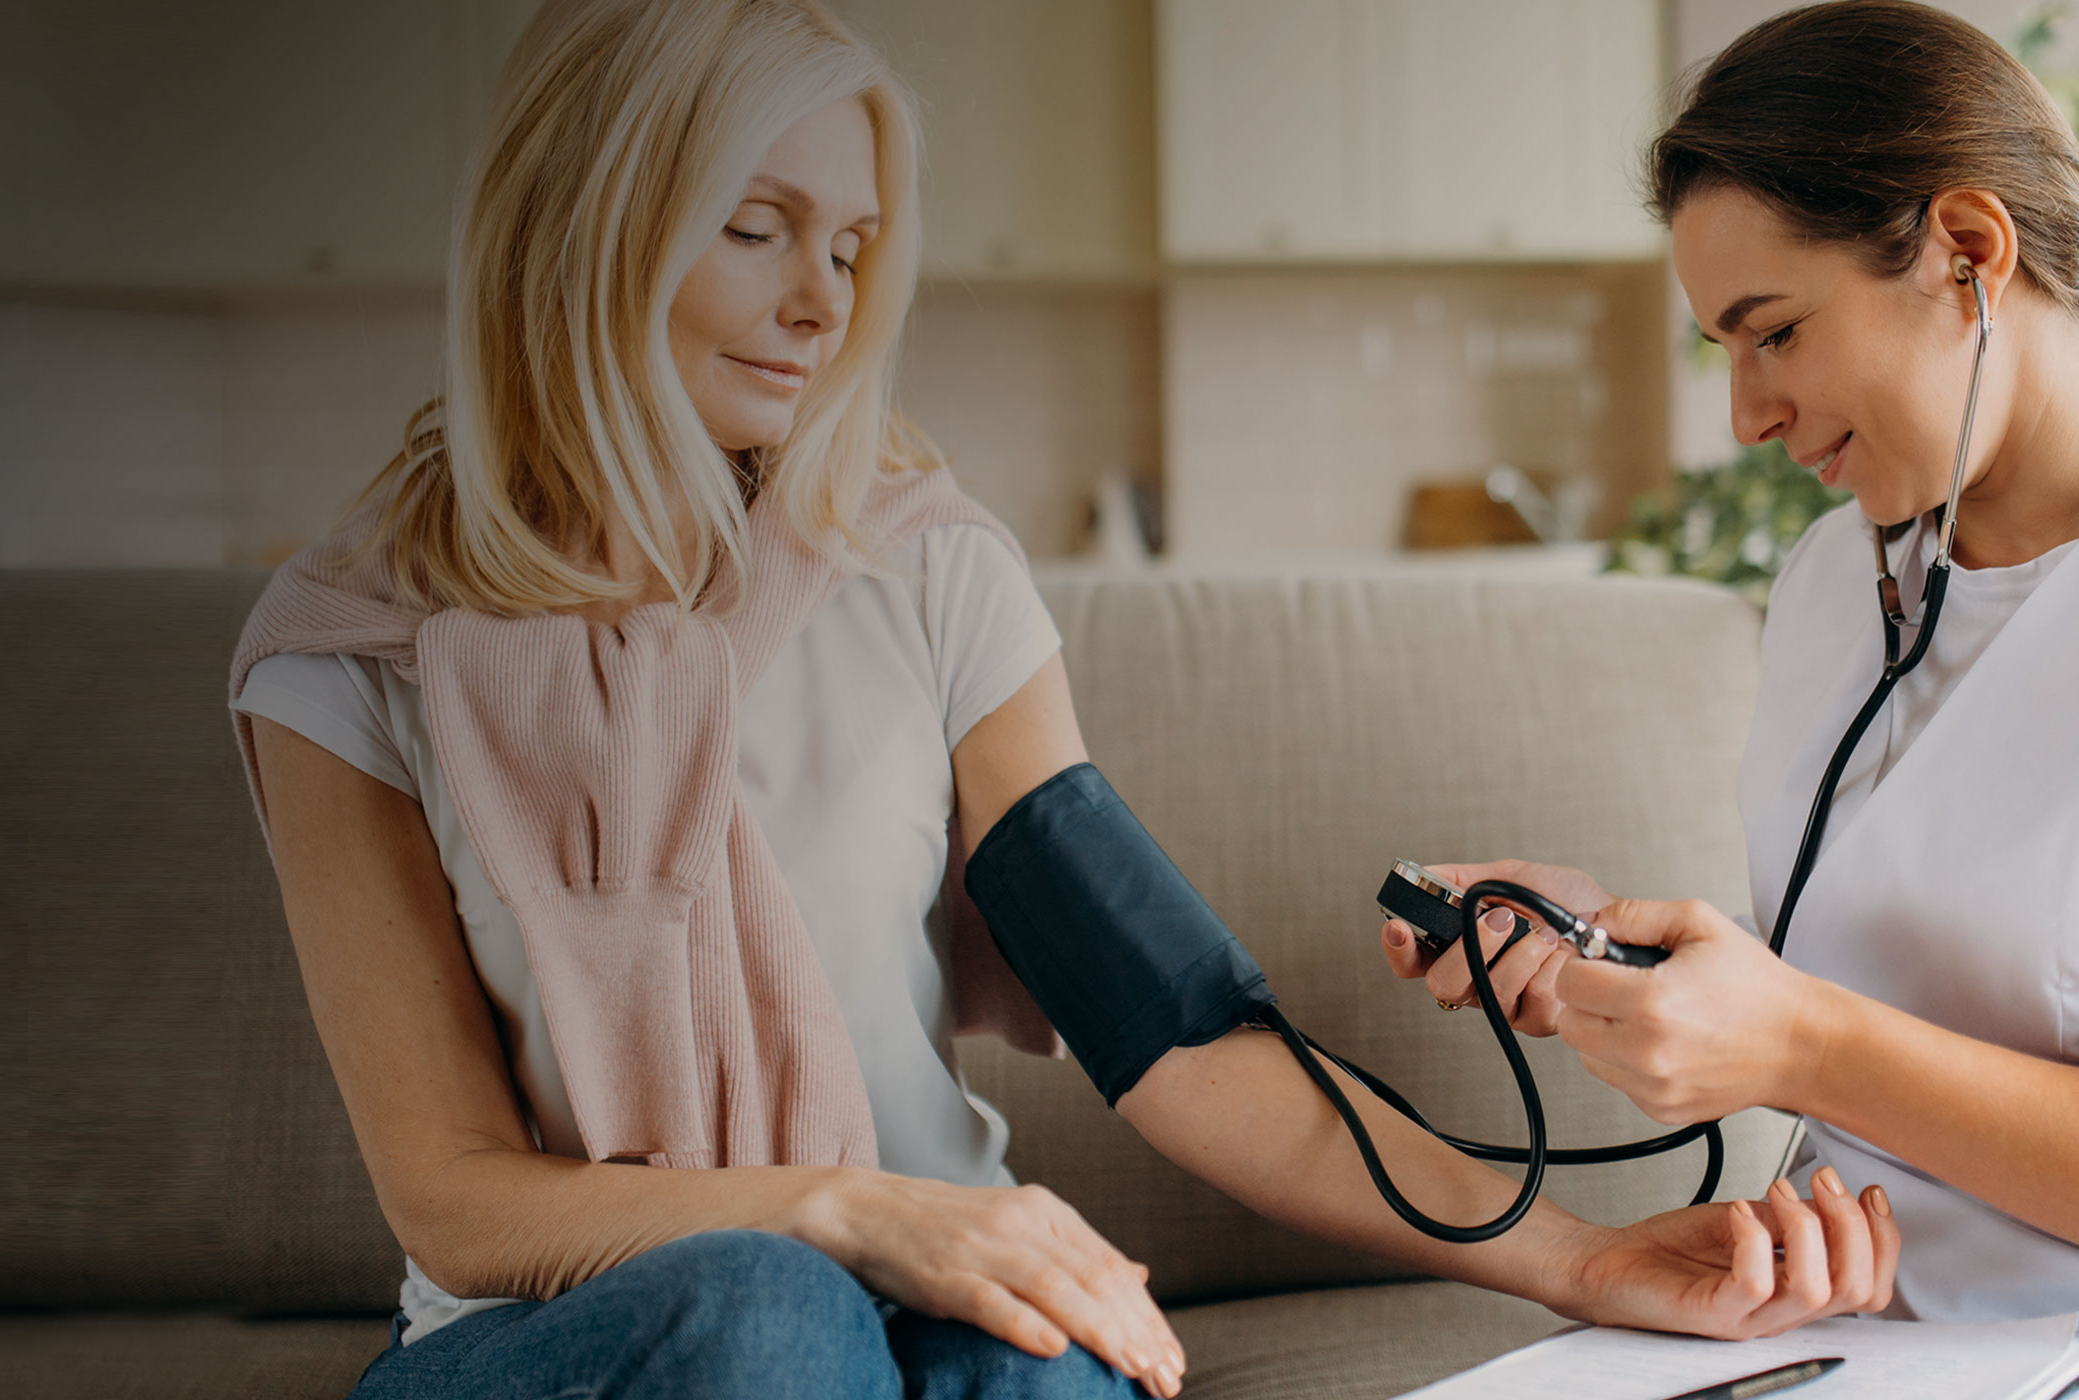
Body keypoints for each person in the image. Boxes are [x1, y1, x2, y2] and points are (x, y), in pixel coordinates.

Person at [230, 3, 1900, 1396]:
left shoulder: (925, 572)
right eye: (755, 230)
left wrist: (1582, 1258)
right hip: (558, 1340)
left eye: (854, 244)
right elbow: (453, 1202)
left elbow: (1172, 1029)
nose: (821, 301)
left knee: (1054, 1359)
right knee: (767, 1311)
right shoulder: (354, 652)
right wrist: (842, 1213)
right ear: (582, 221)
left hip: (924, 1284)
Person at [1384, 0, 2078, 1325]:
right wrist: (1614, 962)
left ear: (1969, 253)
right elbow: (1897, 975)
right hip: (1836, 1322)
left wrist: (1798, 1042)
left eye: (1777, 332)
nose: (1748, 415)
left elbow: (1833, 1033)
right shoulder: (1836, 577)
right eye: (1725, 350)